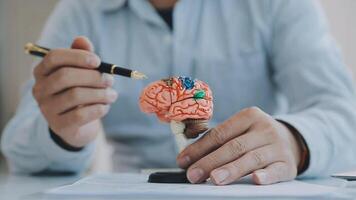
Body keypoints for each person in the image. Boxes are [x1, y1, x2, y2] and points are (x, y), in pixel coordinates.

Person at [2, 0, 356, 185]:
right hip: (134, 191)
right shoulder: (81, 10)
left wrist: (295, 140)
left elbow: (344, 114)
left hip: (249, 187)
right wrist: (63, 134)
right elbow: (21, 150)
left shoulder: (273, 3)